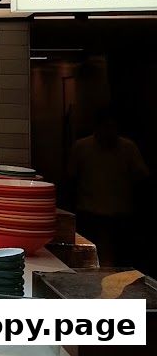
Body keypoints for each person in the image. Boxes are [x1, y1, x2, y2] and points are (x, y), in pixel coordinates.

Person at [66, 108, 150, 267]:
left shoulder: (128, 148)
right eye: (105, 127)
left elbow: (142, 178)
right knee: (90, 258)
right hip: (89, 211)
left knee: (119, 259)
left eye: (111, 127)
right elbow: (71, 178)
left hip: (120, 213)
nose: (108, 132)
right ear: (96, 127)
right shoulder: (82, 147)